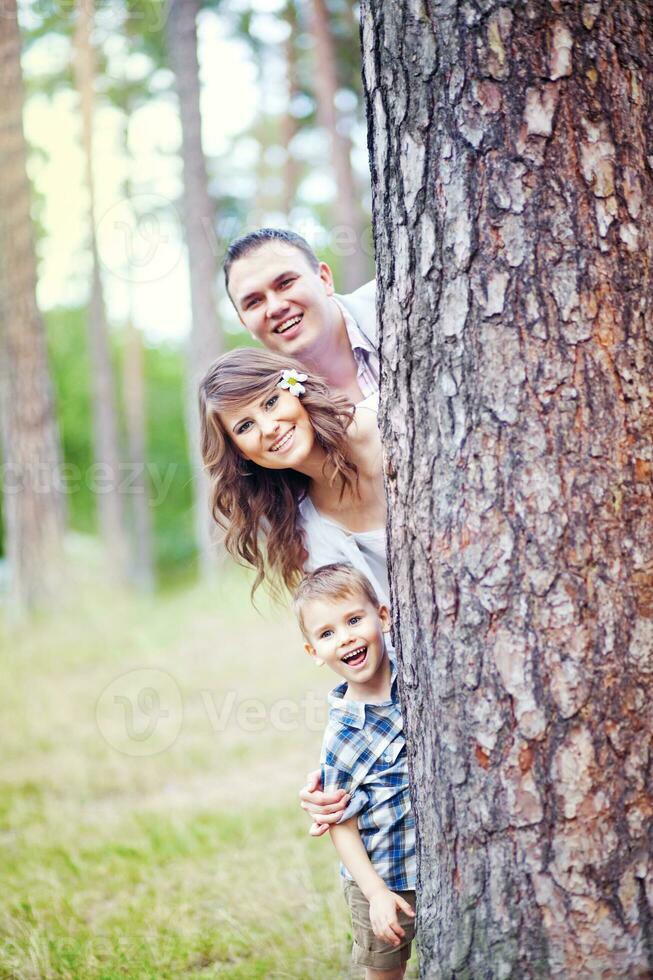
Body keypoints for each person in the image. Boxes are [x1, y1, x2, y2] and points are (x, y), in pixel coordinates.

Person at [293, 564, 416, 980]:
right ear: (314, 653)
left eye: (353, 619)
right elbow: (339, 823)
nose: (344, 637)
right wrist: (376, 893)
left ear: (383, 616)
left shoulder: (416, 676)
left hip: (436, 863)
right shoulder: (343, 735)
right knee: (385, 971)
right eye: (326, 634)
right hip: (383, 876)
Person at [223, 228, 377, 405]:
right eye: (254, 302)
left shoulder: (397, 303)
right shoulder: (275, 413)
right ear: (244, 323)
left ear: (324, 279)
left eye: (285, 283)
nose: (275, 308)